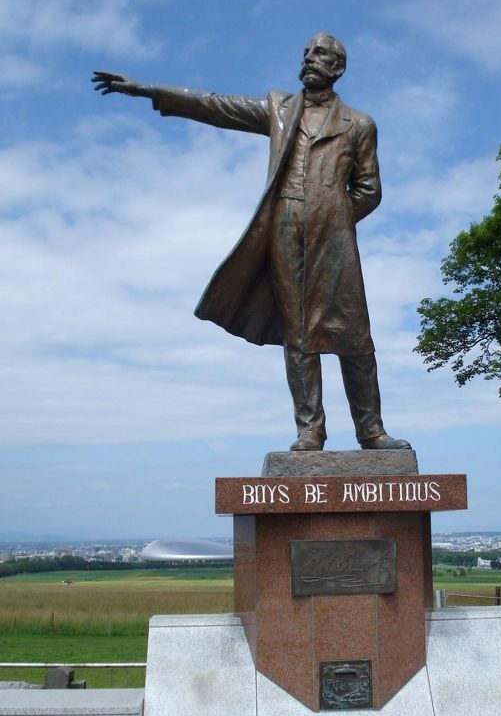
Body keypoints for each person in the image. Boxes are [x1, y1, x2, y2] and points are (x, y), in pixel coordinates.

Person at [93, 34, 410, 453]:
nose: (309, 59)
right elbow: (215, 105)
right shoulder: (279, 109)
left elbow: (368, 190)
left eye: (320, 54)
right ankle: (310, 429)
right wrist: (150, 89)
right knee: (297, 332)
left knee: (354, 334)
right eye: (306, 53)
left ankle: (371, 430)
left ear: (337, 68)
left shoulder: (360, 125)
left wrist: (331, 215)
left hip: (333, 238)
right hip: (282, 232)